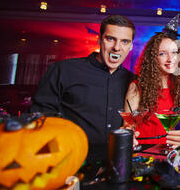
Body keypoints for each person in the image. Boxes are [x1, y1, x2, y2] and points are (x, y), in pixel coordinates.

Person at [30, 15, 136, 144]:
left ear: (130, 46)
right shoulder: (63, 70)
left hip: (116, 159)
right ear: (99, 40)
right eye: (110, 39)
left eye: (124, 41)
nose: (117, 47)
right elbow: (40, 116)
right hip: (70, 156)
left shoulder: (132, 82)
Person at [123, 16, 180, 144]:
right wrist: (129, 133)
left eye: (174, 52)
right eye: (162, 54)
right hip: (143, 151)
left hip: (169, 151)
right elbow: (127, 124)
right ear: (153, 58)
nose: (170, 59)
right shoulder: (137, 87)